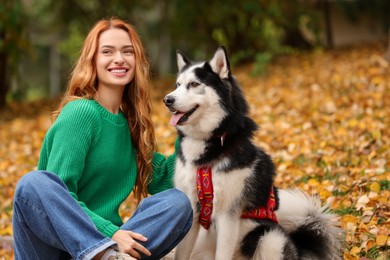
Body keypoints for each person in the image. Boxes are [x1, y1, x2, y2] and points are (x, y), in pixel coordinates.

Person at [12, 17, 192, 260]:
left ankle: (110, 255)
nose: (119, 59)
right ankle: (104, 254)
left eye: (127, 51)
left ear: (136, 60)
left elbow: (165, 179)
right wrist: (110, 234)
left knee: (177, 203)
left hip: (113, 246)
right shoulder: (81, 114)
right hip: (53, 251)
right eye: (107, 51)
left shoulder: (130, 124)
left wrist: (195, 133)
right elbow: (60, 198)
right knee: (31, 185)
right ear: (92, 61)